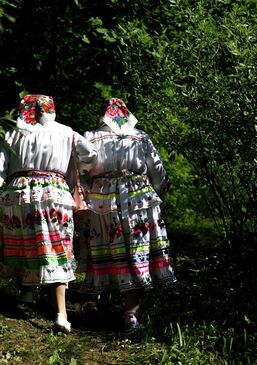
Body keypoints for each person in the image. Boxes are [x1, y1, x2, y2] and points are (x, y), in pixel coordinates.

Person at [0, 94, 97, 333]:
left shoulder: (13, 134)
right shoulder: (67, 132)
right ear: (51, 110)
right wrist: (77, 167)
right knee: (57, 247)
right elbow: (91, 154)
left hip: (20, 194)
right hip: (55, 193)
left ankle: (27, 292)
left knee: (26, 243)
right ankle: (61, 314)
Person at [83, 97, 176, 332]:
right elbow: (157, 171)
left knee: (107, 246)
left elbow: (80, 170)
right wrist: (160, 193)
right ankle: (130, 314)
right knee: (135, 249)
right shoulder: (140, 137)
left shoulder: (91, 137)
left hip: (104, 198)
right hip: (138, 197)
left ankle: (104, 300)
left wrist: (87, 190)